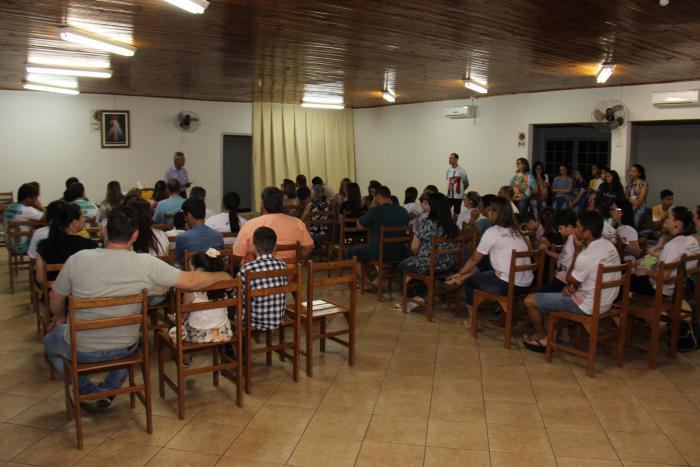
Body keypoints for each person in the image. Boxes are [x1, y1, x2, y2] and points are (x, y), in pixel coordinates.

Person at [44, 206, 232, 412]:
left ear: (105, 231)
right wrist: (223, 276)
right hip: (125, 345)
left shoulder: (78, 259)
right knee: (137, 343)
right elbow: (191, 281)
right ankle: (105, 390)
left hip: (80, 347)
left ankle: (85, 388)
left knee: (49, 343)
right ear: (135, 235)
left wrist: (60, 317)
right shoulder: (146, 264)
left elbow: (55, 296)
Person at [522, 211, 621, 352]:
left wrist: (577, 252)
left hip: (586, 304)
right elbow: (582, 280)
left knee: (530, 300)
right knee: (559, 292)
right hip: (606, 301)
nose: (575, 229)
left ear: (586, 233)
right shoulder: (609, 247)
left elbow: (569, 279)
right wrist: (572, 287)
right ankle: (558, 333)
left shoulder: (586, 255)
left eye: (578, 227)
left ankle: (542, 338)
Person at [446, 197, 533, 316]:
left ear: (495, 213)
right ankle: (466, 276)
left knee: (470, 281)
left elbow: (474, 258)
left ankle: (472, 316)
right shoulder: (516, 230)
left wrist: (461, 273)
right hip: (526, 283)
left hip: (507, 285)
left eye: (490, 210)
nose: (488, 212)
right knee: (485, 263)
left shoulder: (493, 231)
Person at [395, 193, 460, 311]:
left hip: (430, 265)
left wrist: (418, 256)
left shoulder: (426, 223)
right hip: (450, 265)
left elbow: (414, 247)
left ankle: (417, 297)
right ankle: (422, 294)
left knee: (402, 267)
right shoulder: (453, 226)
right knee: (414, 264)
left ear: (432, 206)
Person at [232, 187, 314, 267]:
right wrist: (295, 259)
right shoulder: (297, 223)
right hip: (288, 275)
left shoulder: (249, 225)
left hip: (254, 276)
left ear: (262, 203)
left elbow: (236, 257)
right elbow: (309, 247)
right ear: (282, 204)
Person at [630, 206, 699, 297]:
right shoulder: (692, 241)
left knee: (625, 278)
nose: (665, 220)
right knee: (640, 266)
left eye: (668, 218)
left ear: (677, 223)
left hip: (661, 290)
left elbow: (664, 277)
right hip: (680, 287)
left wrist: (647, 271)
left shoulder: (673, 245)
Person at [169, 249, 233, 344]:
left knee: (178, 328)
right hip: (223, 332)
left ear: (198, 271)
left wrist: (176, 319)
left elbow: (184, 317)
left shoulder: (190, 292)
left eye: (190, 269)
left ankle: (186, 357)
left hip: (198, 336)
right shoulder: (224, 284)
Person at [239, 227, 289, 330]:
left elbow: (239, 296)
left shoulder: (247, 268)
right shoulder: (283, 265)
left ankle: (240, 343)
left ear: (253, 246)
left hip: (254, 320)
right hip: (279, 318)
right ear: (275, 247)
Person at [345, 185, 409, 265]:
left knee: (350, 252)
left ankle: (361, 277)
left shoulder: (375, 211)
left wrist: (371, 208)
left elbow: (359, 227)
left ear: (378, 197)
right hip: (400, 252)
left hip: (378, 252)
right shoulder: (404, 211)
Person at [36, 202, 98, 284]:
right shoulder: (90, 245)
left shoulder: (43, 245)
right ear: (74, 223)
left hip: (53, 293)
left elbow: (40, 279)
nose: (85, 219)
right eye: (82, 217)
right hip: (80, 294)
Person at [175, 197, 224, 267]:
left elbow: (178, 263)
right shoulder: (218, 235)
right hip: (215, 275)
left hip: (194, 276)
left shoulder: (182, 237)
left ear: (189, 215)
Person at [3, 183, 44, 254]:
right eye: (35, 198)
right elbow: (48, 218)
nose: (36, 200)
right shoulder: (27, 210)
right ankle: (38, 263)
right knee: (44, 239)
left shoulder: (9, 207)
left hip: (9, 246)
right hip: (21, 247)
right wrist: (40, 207)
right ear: (28, 199)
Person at [625, 163, 650, 229]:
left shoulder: (643, 183)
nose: (631, 173)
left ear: (639, 173)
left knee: (634, 227)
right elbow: (626, 197)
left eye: (634, 171)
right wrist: (631, 199)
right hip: (630, 208)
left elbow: (639, 202)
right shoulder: (629, 184)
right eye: (630, 170)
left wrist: (630, 199)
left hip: (640, 209)